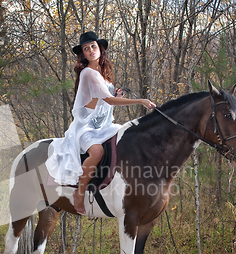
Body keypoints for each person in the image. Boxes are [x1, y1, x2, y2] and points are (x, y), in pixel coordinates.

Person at [45, 31, 156, 214]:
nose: (90, 50)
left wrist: (114, 95)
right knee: (97, 151)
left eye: (93, 46)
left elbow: (101, 102)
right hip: (86, 127)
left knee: (126, 139)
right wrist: (141, 101)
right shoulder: (88, 73)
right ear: (83, 54)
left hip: (103, 126)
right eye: (86, 49)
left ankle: (123, 185)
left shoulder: (103, 75)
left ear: (100, 49)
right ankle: (79, 193)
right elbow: (107, 102)